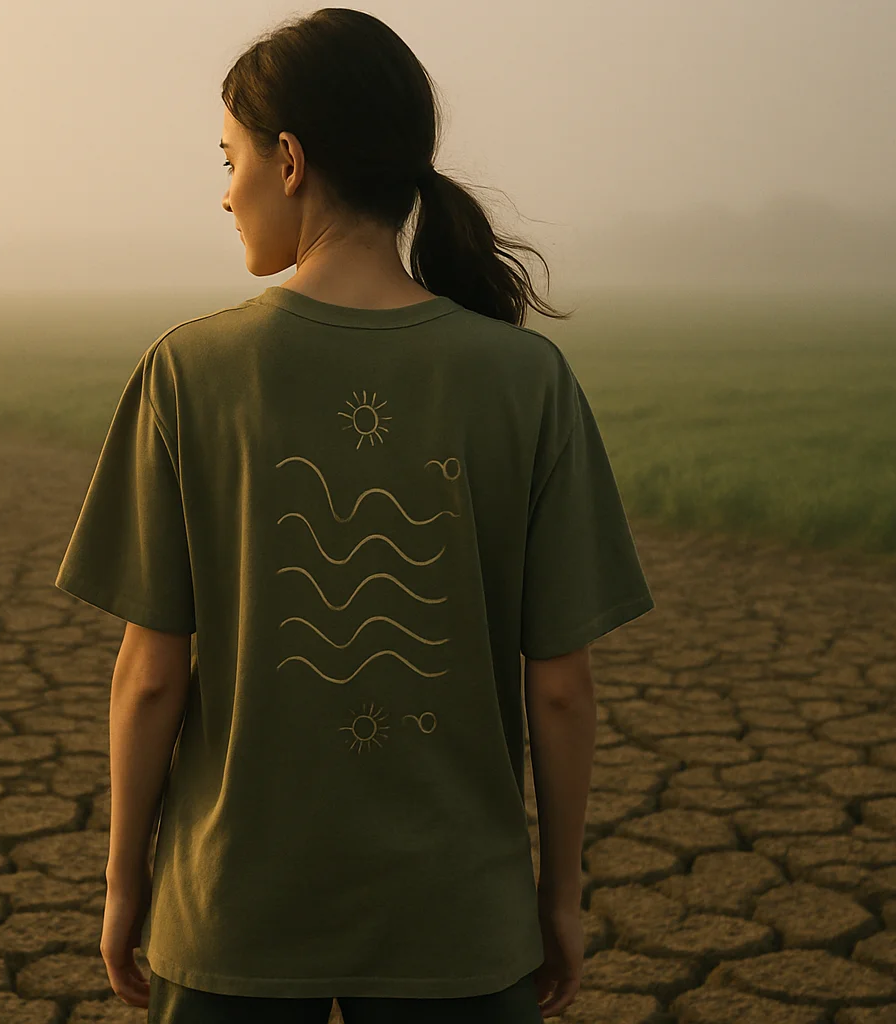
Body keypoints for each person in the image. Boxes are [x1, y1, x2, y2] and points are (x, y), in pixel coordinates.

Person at [53, 8, 655, 1023]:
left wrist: (125, 884)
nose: (225, 190)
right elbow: (560, 690)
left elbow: (151, 676)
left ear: (288, 160)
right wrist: (558, 895)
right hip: (460, 923)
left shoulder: (187, 371)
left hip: (232, 915)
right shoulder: (528, 379)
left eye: (229, 157)